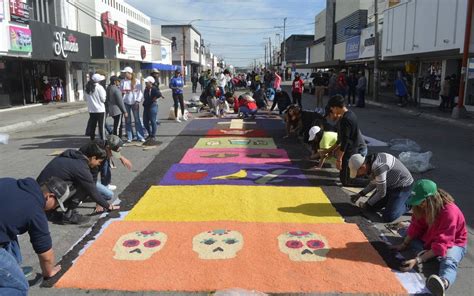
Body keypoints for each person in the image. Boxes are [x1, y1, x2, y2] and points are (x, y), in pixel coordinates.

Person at [392, 179, 467, 296]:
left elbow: (443, 242)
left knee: (448, 261)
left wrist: (417, 260)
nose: (419, 205)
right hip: (431, 236)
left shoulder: (449, 213)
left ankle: (443, 282)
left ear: (430, 200)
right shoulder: (423, 206)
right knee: (409, 236)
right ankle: (431, 254)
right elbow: (416, 225)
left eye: (421, 202)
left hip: (454, 242)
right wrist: (403, 245)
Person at [0, 177, 68, 295]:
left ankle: (13, 269)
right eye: (56, 204)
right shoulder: (36, 212)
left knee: (10, 230)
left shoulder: (11, 182)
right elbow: (46, 255)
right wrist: (49, 272)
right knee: (19, 288)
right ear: (49, 196)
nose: (54, 208)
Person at [37, 142, 119, 224]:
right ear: (93, 158)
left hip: (40, 190)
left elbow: (92, 182)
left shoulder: (74, 157)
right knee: (84, 187)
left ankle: (52, 209)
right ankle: (69, 214)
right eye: (99, 162)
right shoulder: (81, 167)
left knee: (84, 183)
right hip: (45, 196)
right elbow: (92, 190)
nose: (99, 164)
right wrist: (108, 206)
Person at [348, 152, 414, 222]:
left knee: (389, 217)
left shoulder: (378, 167)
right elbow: (374, 183)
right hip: (388, 185)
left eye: (358, 172)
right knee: (370, 208)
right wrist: (360, 194)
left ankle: (409, 203)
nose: (359, 175)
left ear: (362, 166)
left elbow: (381, 193)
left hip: (402, 187)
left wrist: (367, 204)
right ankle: (392, 201)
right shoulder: (371, 162)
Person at [326, 95, 368, 187]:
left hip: (350, 151)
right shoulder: (350, 114)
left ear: (336, 107)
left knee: (346, 181)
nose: (332, 111)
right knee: (344, 177)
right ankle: (364, 178)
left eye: (332, 109)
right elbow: (341, 140)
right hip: (352, 149)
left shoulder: (346, 119)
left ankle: (371, 183)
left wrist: (339, 159)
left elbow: (345, 141)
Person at [120, 66, 145, 142]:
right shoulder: (122, 82)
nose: (124, 74)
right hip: (126, 103)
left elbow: (140, 93)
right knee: (127, 120)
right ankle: (130, 137)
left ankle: (140, 136)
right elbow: (120, 92)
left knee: (137, 119)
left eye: (126, 73)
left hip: (134, 102)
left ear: (130, 73)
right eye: (124, 73)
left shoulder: (136, 81)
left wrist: (137, 101)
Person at [85, 73, 107, 141]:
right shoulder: (100, 88)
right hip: (100, 110)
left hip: (91, 110)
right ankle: (103, 140)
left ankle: (92, 140)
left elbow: (85, 98)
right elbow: (103, 99)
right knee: (101, 126)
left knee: (93, 126)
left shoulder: (87, 88)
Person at [142, 76, 161, 141]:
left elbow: (159, 94)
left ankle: (153, 135)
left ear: (150, 83)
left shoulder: (154, 88)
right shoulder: (146, 89)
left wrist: (154, 99)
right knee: (145, 121)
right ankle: (149, 134)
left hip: (153, 106)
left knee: (153, 121)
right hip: (146, 106)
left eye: (146, 82)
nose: (145, 83)